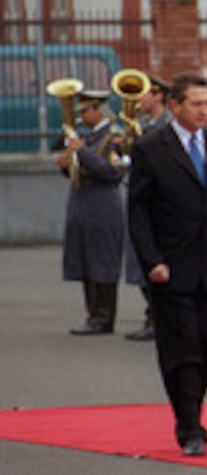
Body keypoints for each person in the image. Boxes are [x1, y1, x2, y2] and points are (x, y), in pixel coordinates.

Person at [128, 72, 207, 457]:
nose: (204, 110)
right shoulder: (151, 147)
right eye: (195, 103)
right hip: (171, 265)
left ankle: (190, 403)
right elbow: (139, 212)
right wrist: (152, 260)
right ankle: (190, 425)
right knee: (182, 347)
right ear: (175, 106)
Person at [59, 90, 128, 336]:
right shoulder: (88, 137)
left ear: (98, 110)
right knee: (86, 258)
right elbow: (80, 170)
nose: (80, 116)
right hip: (82, 202)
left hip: (103, 204)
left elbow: (112, 171)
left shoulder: (114, 137)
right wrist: (67, 163)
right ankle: (92, 313)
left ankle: (104, 317)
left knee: (102, 259)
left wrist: (82, 151)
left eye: (84, 111)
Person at [124, 74, 172, 342]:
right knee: (141, 259)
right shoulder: (140, 125)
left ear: (159, 96)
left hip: (162, 201)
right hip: (142, 194)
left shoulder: (168, 126)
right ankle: (152, 315)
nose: (138, 100)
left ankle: (158, 318)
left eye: (145, 94)